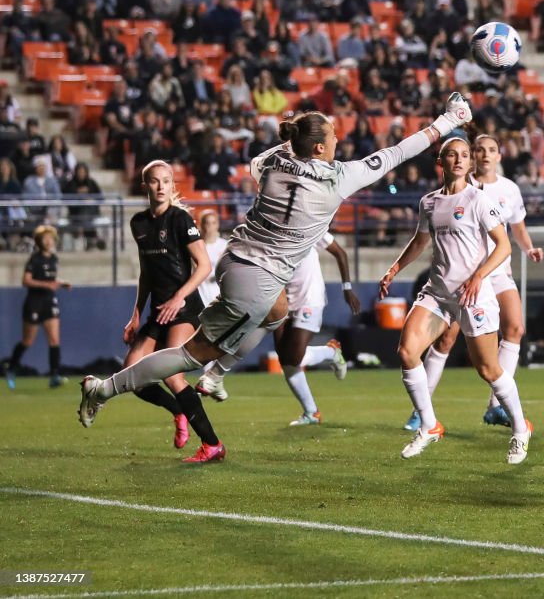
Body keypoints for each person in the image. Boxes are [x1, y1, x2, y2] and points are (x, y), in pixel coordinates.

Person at [78, 94, 475, 462]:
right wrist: (449, 120)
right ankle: (105, 389)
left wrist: (292, 140)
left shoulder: (271, 164)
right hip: (256, 281)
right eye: (333, 136)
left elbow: (269, 159)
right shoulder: (339, 179)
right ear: (318, 147)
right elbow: (396, 153)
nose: (339, 141)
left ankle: (216, 375)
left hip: (235, 259)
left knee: (277, 314)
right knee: (189, 356)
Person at [379, 137, 533, 464]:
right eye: (453, 154)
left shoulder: (478, 200)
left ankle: (520, 429)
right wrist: (394, 268)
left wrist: (478, 277)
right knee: (407, 351)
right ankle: (429, 425)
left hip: (472, 295)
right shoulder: (429, 203)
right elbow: (419, 242)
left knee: (489, 370)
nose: (460, 159)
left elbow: (503, 246)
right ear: (441, 161)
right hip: (437, 294)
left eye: (464, 155)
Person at [195, 231, 360, 424]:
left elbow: (340, 252)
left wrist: (347, 288)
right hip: (281, 300)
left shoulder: (311, 225)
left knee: (294, 357)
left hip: (309, 298)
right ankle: (311, 413)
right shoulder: (267, 232)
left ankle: (330, 352)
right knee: (286, 361)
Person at [121, 160, 220, 459]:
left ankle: (212, 444)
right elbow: (146, 274)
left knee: (171, 373)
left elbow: (204, 266)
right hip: (157, 311)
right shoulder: (138, 223)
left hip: (185, 309)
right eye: (154, 181)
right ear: (145, 186)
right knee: (131, 374)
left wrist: (178, 298)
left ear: (173, 186)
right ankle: (177, 410)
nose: (161, 186)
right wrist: (136, 312)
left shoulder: (180, 219)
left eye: (166, 180)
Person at [2, 226, 71, 390]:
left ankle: (55, 375)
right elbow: (26, 280)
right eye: (45, 238)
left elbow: (51, 278)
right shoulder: (35, 259)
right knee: (28, 340)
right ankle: (11, 368)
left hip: (49, 301)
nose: (49, 241)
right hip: (34, 302)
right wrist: (48, 284)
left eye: (51, 238)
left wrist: (61, 283)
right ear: (40, 241)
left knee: (54, 339)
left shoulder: (54, 258)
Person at [196, 210, 229, 307]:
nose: (210, 226)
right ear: (201, 225)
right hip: (201, 295)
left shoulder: (225, 245)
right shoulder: (196, 246)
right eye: (206, 223)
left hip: (219, 296)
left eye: (213, 223)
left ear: (217, 225)